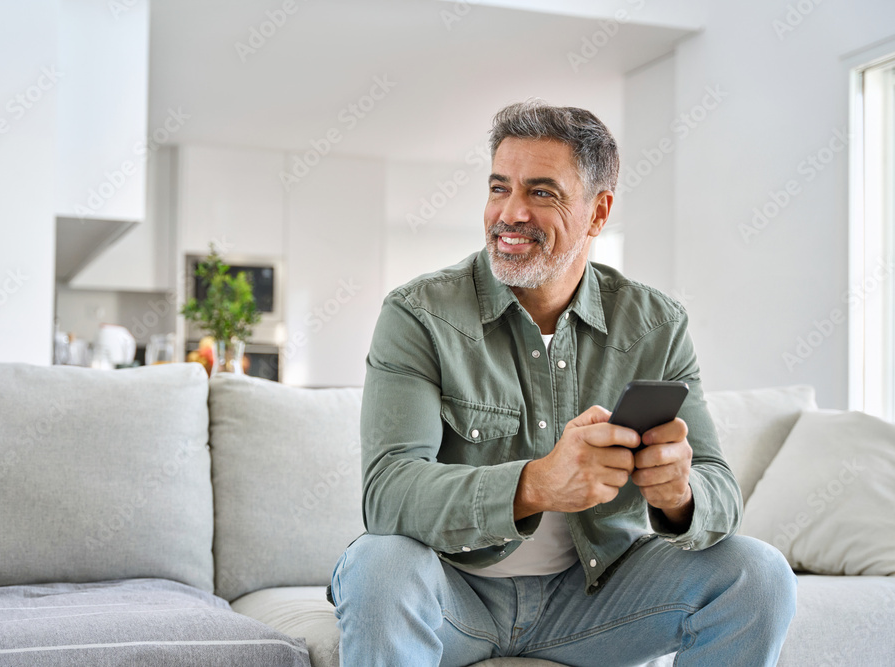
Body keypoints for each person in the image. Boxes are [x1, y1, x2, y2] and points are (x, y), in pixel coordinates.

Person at [330, 100, 797, 666]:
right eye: (500, 188)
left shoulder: (655, 325)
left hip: (596, 602)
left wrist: (679, 496)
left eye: (542, 193)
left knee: (760, 574)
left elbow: (720, 486)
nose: (510, 213)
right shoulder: (420, 314)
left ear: (598, 213)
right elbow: (388, 495)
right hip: (454, 593)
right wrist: (535, 485)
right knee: (378, 566)